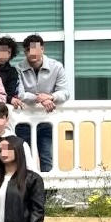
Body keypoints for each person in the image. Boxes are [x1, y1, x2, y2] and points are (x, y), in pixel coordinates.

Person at [13, 33, 71, 172]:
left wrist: (50, 97)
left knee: (46, 156)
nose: (32, 53)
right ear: (25, 51)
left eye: (36, 49)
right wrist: (40, 98)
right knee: (26, 158)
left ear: (42, 49)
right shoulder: (18, 68)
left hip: (47, 119)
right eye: (28, 50)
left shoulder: (56, 67)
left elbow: (65, 92)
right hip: (24, 120)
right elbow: (20, 94)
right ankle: (28, 190)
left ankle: (50, 192)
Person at [0, 36, 21, 103]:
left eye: (8, 52)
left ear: (11, 55)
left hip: (0, 105)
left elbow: (10, 94)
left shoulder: (12, 72)